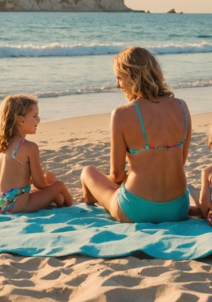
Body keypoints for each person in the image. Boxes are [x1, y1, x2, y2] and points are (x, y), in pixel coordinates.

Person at [81, 47, 192, 223]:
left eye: (119, 78)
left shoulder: (122, 114)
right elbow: (181, 161)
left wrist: (124, 178)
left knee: (88, 172)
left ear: (133, 76)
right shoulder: (181, 106)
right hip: (177, 208)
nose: (118, 85)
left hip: (136, 210)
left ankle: (89, 201)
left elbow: (116, 175)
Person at [0, 95, 73, 214]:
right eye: (35, 116)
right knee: (58, 185)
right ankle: (66, 202)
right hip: (14, 204)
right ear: (20, 120)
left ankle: (53, 197)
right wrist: (50, 188)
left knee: (49, 177)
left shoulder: (3, 143)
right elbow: (39, 183)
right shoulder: (29, 147)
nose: (39, 119)